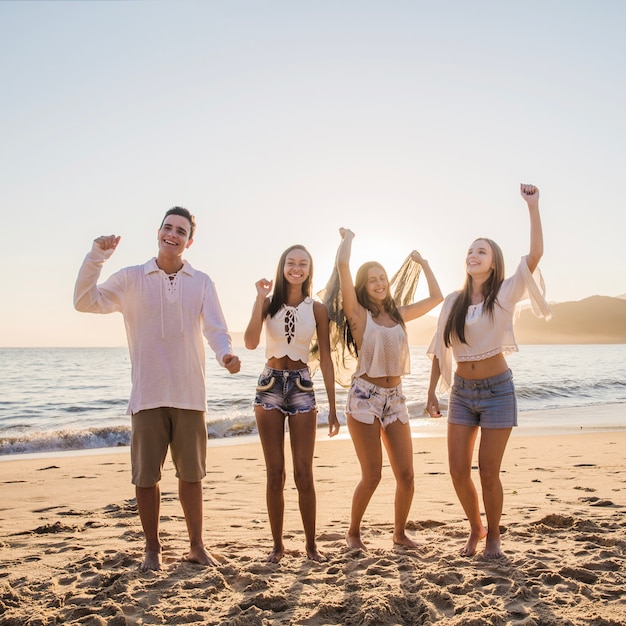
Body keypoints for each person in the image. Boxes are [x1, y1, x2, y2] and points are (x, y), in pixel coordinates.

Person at [74, 206, 241, 572]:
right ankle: (153, 549)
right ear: (159, 232)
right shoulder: (131, 278)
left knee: (192, 476)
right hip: (147, 394)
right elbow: (84, 301)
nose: (173, 234)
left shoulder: (201, 281)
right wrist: (96, 256)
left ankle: (197, 545)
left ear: (189, 241)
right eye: (168, 228)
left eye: (181, 231)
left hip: (189, 395)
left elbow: (216, 329)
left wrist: (225, 356)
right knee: (146, 478)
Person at [426, 184, 552, 559]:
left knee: (488, 471)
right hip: (462, 392)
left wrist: (533, 206)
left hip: (498, 390)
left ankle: (493, 535)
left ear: (494, 262)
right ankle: (475, 528)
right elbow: (438, 350)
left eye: (481, 251)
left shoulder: (505, 293)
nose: (473, 255)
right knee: (457, 470)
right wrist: (432, 391)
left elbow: (536, 254)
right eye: (469, 251)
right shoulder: (453, 302)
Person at [336, 228, 443, 550]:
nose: (379, 283)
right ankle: (353, 533)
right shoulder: (358, 315)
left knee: (407, 475)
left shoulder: (398, 315)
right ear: (363, 286)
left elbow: (436, 298)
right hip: (364, 397)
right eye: (372, 279)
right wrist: (348, 239)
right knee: (372, 475)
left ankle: (399, 534)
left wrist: (423, 264)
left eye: (382, 277)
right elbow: (342, 267)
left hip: (395, 397)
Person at [244, 245, 340, 563]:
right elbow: (250, 341)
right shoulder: (269, 303)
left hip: (301, 386)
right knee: (275, 474)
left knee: (303, 473)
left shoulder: (317, 309)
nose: (296, 268)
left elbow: (325, 359)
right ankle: (277, 546)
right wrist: (260, 299)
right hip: (269, 385)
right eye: (291, 262)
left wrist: (334, 408)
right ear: (282, 266)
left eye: (303, 264)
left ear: (309, 270)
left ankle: (311, 547)